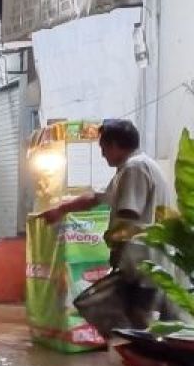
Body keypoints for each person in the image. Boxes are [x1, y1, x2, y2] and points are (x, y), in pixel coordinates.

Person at [35, 119, 178, 327]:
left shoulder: (134, 168)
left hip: (144, 264)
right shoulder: (132, 167)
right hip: (145, 264)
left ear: (115, 145)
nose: (102, 154)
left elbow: (128, 215)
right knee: (138, 317)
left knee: (139, 319)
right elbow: (96, 197)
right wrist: (60, 209)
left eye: (103, 148)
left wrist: (113, 247)